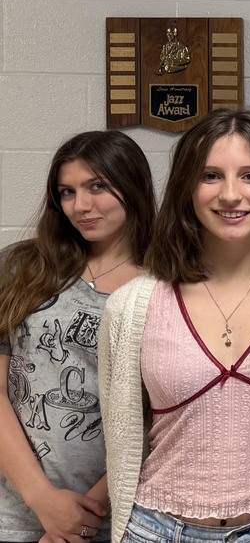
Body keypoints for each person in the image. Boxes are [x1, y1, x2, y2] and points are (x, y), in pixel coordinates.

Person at [99, 109, 250, 543]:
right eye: (211, 176)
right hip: (157, 527)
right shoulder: (133, 305)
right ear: (186, 189)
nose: (231, 194)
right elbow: (122, 433)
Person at [1, 131, 155, 543]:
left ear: (134, 185)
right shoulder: (22, 267)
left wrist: (81, 517)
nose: (80, 206)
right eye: (67, 192)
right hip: (15, 511)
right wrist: (43, 500)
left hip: (115, 515)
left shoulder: (166, 285)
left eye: (97, 186)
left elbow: (160, 415)